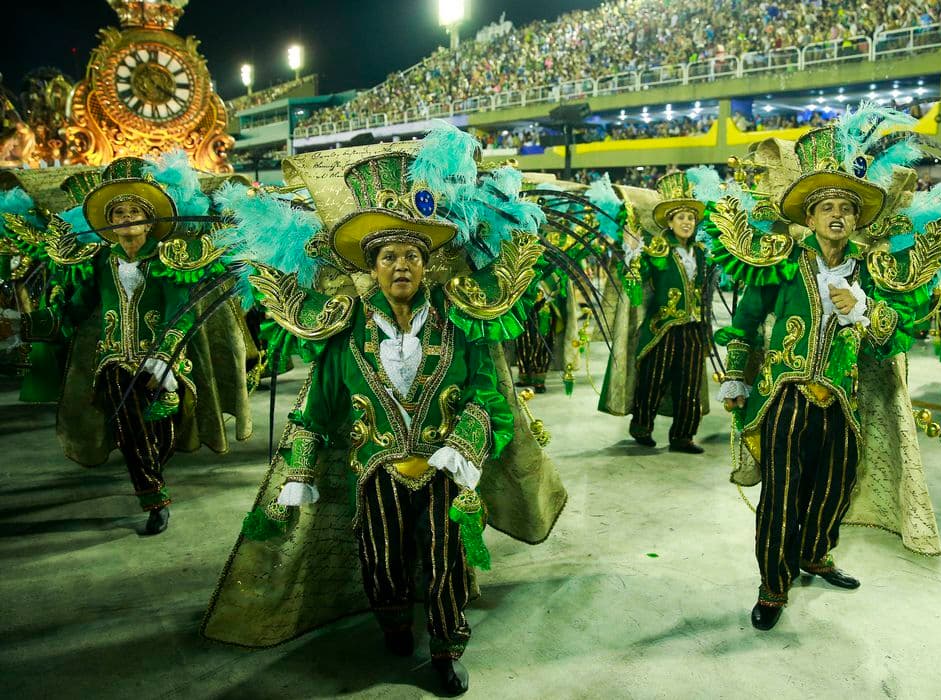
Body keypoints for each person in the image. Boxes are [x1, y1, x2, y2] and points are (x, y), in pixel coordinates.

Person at [202, 136, 567, 697]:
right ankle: (395, 623)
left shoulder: (456, 322)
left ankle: (446, 647)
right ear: (371, 267)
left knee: (448, 560)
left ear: (427, 265)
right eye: (389, 256)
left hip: (446, 469)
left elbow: (489, 397)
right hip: (375, 472)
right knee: (382, 559)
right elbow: (317, 408)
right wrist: (298, 472)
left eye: (413, 255)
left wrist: (460, 449)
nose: (402, 265)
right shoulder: (346, 328)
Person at [712, 125, 937, 629]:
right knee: (782, 495)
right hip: (783, 399)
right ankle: (773, 584)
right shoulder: (782, 264)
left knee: (834, 487)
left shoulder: (872, 275)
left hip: (842, 402)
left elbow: (897, 336)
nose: (838, 215)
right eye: (827, 207)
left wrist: (865, 310)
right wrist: (736, 376)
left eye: (848, 208)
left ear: (857, 220)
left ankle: (814, 554)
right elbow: (745, 322)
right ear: (809, 217)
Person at [0, 156, 251, 534]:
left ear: (151, 220)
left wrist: (162, 361)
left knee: (158, 437)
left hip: (164, 364)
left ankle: (152, 473)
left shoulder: (168, 260)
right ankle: (154, 498)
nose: (126, 218)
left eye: (135, 211)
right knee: (127, 413)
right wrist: (46, 313)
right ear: (109, 222)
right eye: (118, 212)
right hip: (112, 360)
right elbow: (79, 307)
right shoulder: (100, 261)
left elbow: (178, 313)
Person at [599, 172, 711, 454]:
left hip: (694, 329)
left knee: (689, 385)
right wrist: (633, 253)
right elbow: (636, 285)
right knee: (653, 381)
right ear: (669, 223)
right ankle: (642, 427)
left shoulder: (700, 252)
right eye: (680, 218)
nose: (686, 222)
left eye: (690, 218)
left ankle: (683, 437)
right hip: (663, 329)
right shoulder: (657, 251)